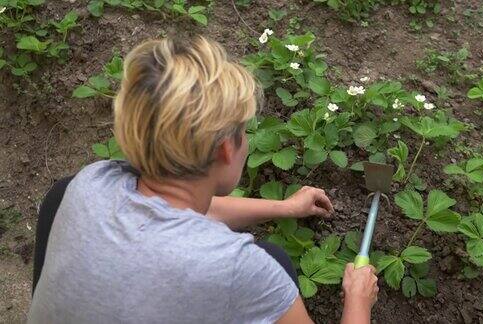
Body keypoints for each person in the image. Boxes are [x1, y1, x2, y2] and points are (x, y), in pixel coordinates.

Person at [28, 36, 379, 324]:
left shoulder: (89, 184)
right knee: (277, 262)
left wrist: (284, 207)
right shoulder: (239, 269)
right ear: (227, 148)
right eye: (245, 131)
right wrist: (358, 301)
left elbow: (173, 216)